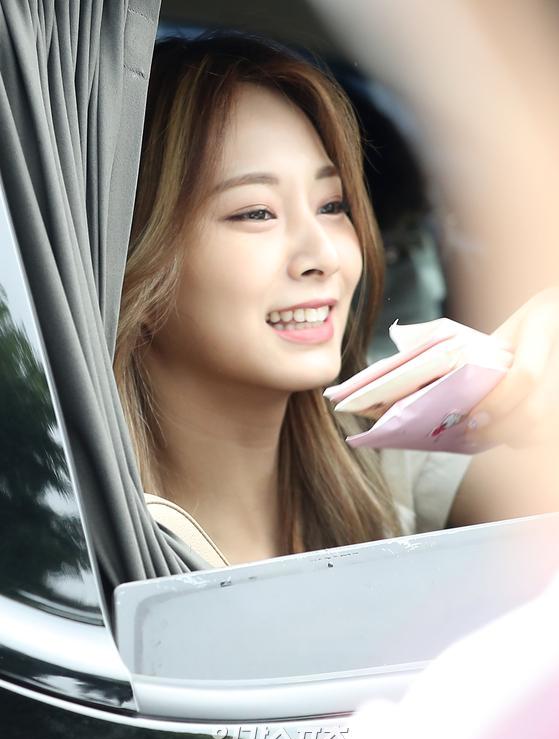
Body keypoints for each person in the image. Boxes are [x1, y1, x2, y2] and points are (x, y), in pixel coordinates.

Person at [114, 32, 558, 567]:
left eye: (332, 205)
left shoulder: (395, 465)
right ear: (134, 256)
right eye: (256, 212)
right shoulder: (90, 538)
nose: (324, 255)